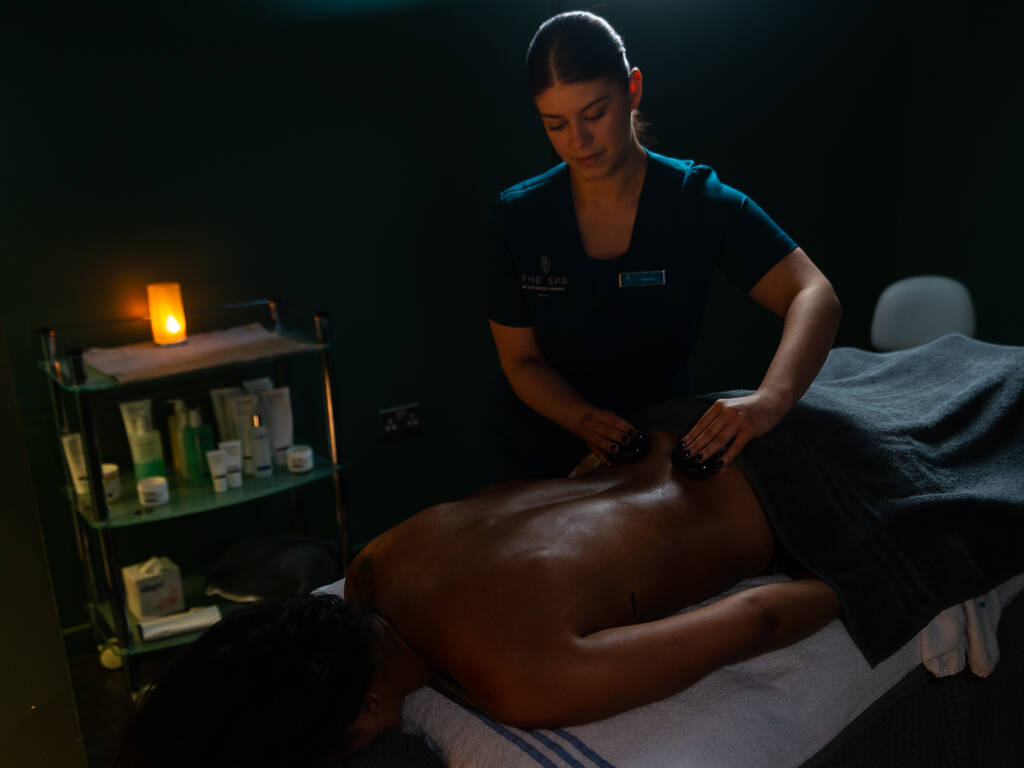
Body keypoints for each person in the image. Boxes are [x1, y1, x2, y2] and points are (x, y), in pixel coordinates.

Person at [119, 334, 1024, 767]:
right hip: (697, 425)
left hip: (812, 480)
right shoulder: (376, 562)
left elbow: (756, 616)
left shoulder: (517, 677)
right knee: (945, 368)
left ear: (354, 716)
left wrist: (869, 577)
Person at [482, 11, 841, 483]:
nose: (578, 141)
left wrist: (769, 400)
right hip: (540, 449)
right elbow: (520, 360)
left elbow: (814, 294)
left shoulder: (695, 200)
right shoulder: (519, 216)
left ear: (633, 88)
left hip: (660, 447)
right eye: (556, 124)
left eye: (595, 114)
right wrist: (580, 419)